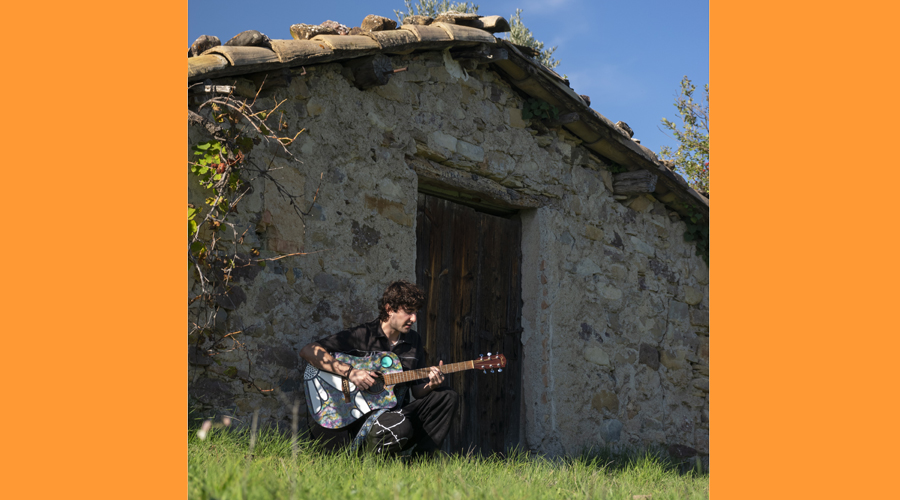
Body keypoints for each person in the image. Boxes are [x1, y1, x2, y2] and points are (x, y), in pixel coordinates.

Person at [299, 279, 458, 455]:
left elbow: (417, 391)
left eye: (416, 312)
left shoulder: (414, 341)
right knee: (399, 427)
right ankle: (367, 458)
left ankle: (420, 461)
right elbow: (309, 351)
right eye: (409, 312)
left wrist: (431, 385)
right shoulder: (362, 336)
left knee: (447, 396)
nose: (414, 318)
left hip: (395, 413)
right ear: (389, 309)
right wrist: (351, 373)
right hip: (360, 418)